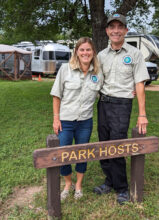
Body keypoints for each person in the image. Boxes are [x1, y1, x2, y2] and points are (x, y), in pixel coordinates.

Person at [93, 13, 149, 205]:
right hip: (103, 103)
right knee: (103, 144)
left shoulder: (135, 54)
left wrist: (142, 114)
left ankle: (122, 188)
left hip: (122, 105)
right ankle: (109, 181)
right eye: (112, 27)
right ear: (107, 31)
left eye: (120, 27)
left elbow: (140, 84)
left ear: (125, 30)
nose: (116, 30)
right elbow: (95, 81)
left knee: (116, 145)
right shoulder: (100, 56)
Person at [50, 37, 103, 201]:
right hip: (66, 120)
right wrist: (56, 118)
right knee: (64, 153)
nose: (85, 53)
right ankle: (67, 183)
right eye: (82, 50)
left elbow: (107, 90)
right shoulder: (65, 69)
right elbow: (56, 95)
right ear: (77, 52)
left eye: (88, 49)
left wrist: (130, 91)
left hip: (85, 122)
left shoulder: (98, 73)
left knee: (82, 153)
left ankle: (78, 185)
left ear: (93, 52)